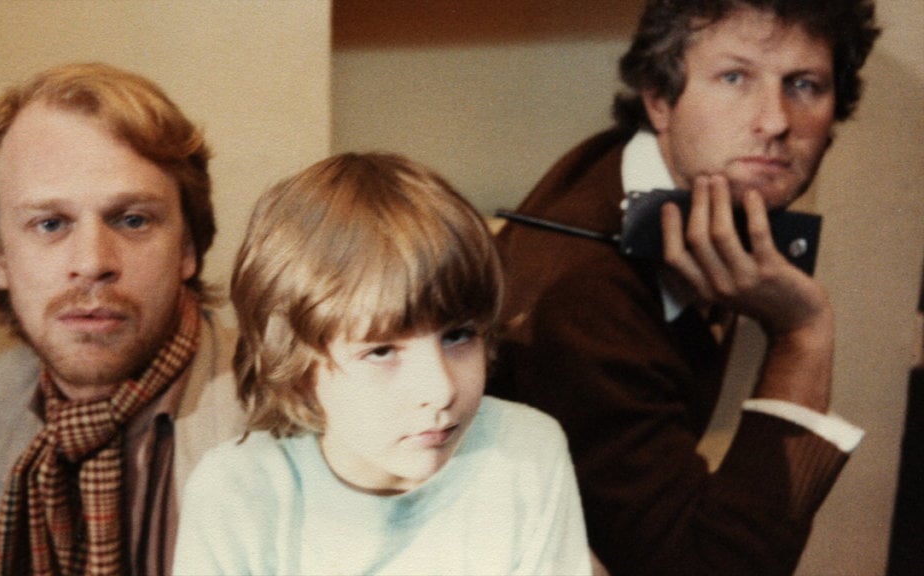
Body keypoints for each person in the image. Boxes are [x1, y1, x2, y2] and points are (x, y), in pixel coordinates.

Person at [489, 1, 880, 575]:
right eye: (734, 77)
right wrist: (802, 334)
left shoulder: (643, 171)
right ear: (659, 99)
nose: (775, 122)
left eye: (804, 85)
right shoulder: (584, 302)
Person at [172, 152, 592, 575]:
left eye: (457, 335)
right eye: (381, 351)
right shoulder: (239, 492)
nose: (440, 390)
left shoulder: (525, 452)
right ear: (299, 371)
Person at [0, 62, 244, 576]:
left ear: (188, 248)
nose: (91, 262)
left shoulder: (280, 406)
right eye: (50, 223)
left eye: (132, 219)